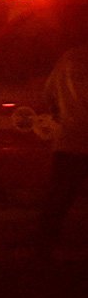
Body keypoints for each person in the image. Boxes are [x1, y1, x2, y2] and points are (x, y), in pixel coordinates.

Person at [36, 40, 88, 259]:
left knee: (58, 198)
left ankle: (43, 248)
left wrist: (62, 114)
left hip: (68, 139)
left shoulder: (68, 59)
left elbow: (48, 94)